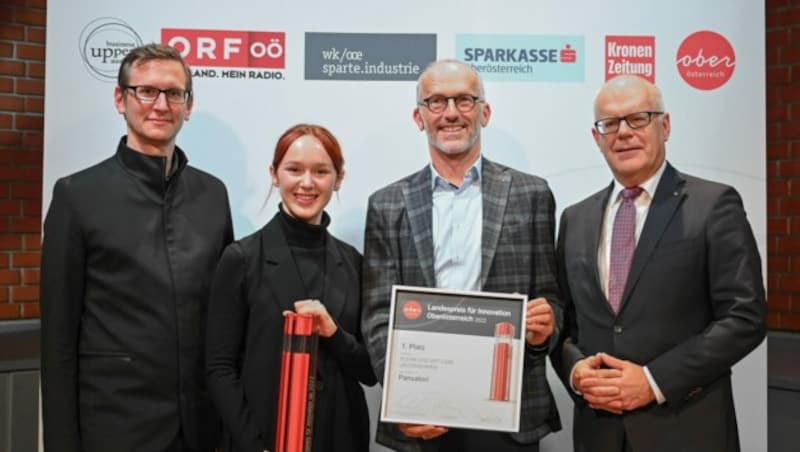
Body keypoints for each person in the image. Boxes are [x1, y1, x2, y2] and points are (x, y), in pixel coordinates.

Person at [552, 75, 767, 452]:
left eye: (638, 118)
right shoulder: (575, 218)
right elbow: (563, 321)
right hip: (598, 434)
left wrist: (653, 381)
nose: (623, 133)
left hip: (685, 430)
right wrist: (574, 370)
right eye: (610, 123)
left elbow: (745, 318)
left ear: (664, 126)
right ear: (596, 137)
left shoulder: (713, 205)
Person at [40, 44, 233, 452]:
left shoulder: (213, 195)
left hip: (203, 429)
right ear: (120, 99)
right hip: (116, 428)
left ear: (188, 104)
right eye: (146, 91)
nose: (161, 104)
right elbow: (58, 341)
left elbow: (225, 319)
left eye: (174, 93)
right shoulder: (77, 195)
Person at [361, 59, 562, 452]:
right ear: (419, 117)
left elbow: (553, 300)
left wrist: (544, 331)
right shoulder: (386, 205)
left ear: (484, 112)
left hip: (508, 412)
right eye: (436, 102)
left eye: (464, 100)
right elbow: (377, 316)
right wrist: (405, 397)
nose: (450, 112)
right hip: (423, 415)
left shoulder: (532, 195)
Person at [206, 124, 377, 452]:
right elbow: (219, 368)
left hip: (340, 436)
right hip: (264, 437)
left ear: (338, 178)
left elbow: (369, 371)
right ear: (274, 174)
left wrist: (334, 333)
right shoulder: (241, 258)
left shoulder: (353, 261)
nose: (307, 183)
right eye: (294, 170)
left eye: (321, 171)